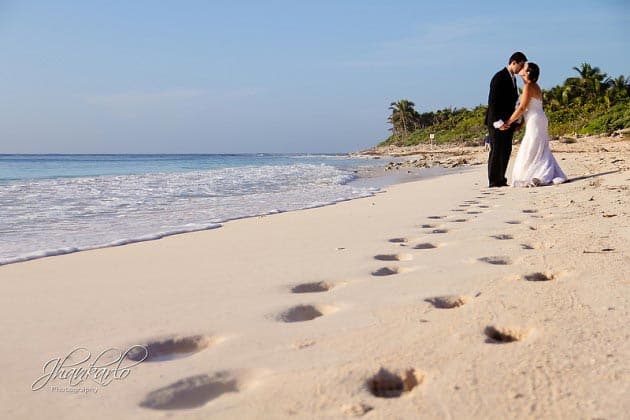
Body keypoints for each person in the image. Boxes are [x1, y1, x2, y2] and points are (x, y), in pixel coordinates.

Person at [502, 62, 567, 187]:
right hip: (539, 118)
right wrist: (521, 124)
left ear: (527, 73)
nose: (521, 69)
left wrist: (509, 122)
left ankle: (536, 174)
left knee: (531, 145)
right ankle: (543, 171)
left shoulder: (528, 87)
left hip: (535, 120)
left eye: (524, 68)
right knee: (539, 146)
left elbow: (522, 108)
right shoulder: (535, 86)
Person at [485, 51, 527, 187]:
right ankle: (493, 180)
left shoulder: (513, 78)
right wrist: (497, 122)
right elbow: (493, 102)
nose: (521, 69)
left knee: (506, 150)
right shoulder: (499, 77)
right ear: (513, 62)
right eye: (520, 66)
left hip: (509, 121)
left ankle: (501, 178)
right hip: (497, 121)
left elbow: (514, 102)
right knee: (496, 150)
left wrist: (516, 121)